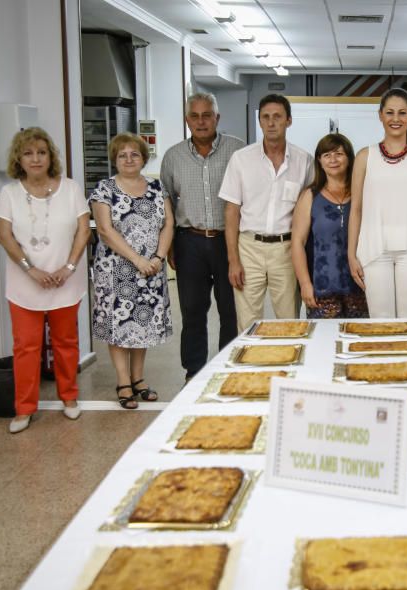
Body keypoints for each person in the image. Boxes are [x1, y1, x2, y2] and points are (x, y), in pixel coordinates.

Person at [0, 127, 91, 434]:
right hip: (25, 284)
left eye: (41, 152)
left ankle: (69, 398)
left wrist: (69, 267)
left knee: (65, 343)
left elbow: (84, 230)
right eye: (28, 153)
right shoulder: (9, 193)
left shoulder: (71, 189)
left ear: (51, 157)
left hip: (66, 280)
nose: (35, 158)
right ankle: (24, 409)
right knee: (26, 347)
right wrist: (30, 270)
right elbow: (4, 235)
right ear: (18, 159)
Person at [160, 92, 245, 382]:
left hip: (228, 242)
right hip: (190, 241)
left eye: (206, 115)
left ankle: (227, 367)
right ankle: (194, 371)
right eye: (194, 116)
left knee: (230, 310)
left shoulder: (238, 150)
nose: (201, 121)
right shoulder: (173, 157)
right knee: (193, 311)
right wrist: (170, 244)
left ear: (216, 118)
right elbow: (167, 202)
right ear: (187, 120)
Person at [90, 133, 174, 409]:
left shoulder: (156, 188)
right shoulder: (105, 189)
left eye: (134, 154)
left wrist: (158, 257)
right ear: (114, 158)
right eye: (122, 154)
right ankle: (123, 381)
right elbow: (105, 230)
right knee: (119, 326)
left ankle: (139, 379)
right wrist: (138, 260)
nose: (128, 159)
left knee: (142, 323)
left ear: (143, 158)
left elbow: (168, 225)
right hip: (116, 270)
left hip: (151, 269)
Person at [347, 88, 407, 317]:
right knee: (381, 324)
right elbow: (356, 210)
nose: (396, 119)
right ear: (380, 115)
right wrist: (351, 254)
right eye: (389, 112)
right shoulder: (364, 156)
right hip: (373, 250)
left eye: (402, 113)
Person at [221, 94, 313, 332]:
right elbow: (231, 212)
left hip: (286, 249)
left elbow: (311, 210)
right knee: (248, 321)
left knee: (289, 318)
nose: (271, 123)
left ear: (289, 121)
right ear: (260, 122)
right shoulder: (241, 160)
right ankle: (250, 367)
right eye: (266, 117)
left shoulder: (303, 161)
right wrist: (233, 260)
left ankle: (290, 365)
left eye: (278, 117)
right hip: (249, 248)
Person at [291, 133, 368, 318]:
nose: (333, 159)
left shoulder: (363, 193)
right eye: (327, 155)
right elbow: (297, 243)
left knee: (359, 341)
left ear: (349, 158)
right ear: (319, 161)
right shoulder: (310, 196)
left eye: (338, 154)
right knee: (323, 343)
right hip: (322, 288)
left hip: (361, 286)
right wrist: (305, 284)